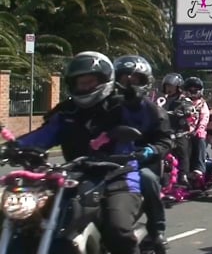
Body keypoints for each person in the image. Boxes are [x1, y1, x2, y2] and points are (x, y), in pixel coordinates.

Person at [3, 51, 146, 254]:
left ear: (105, 81)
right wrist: (15, 147)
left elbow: (140, 123)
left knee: (118, 228)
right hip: (72, 177)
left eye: (90, 81)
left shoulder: (119, 107)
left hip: (117, 178)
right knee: (26, 219)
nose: (85, 86)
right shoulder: (66, 112)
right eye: (81, 82)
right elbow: (44, 135)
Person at [113, 55, 173, 251]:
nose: (129, 84)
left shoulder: (155, 111)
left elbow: (165, 141)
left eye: (136, 79)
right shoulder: (108, 107)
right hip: (109, 161)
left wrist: (150, 150)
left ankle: (157, 230)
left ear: (145, 82)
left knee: (148, 179)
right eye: (124, 79)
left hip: (142, 162)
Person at [182, 77, 210, 181]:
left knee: (199, 138)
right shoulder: (181, 102)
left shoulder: (202, 104)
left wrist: (199, 130)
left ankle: (199, 169)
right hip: (180, 131)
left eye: (195, 90)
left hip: (195, 132)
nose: (193, 92)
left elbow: (204, 118)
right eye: (190, 89)